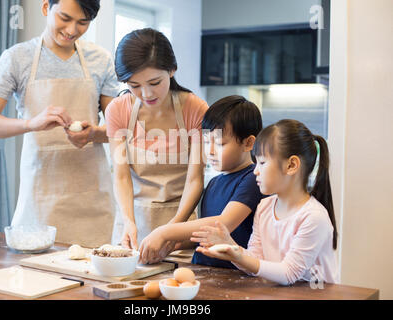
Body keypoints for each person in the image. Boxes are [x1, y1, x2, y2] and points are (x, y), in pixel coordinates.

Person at [0, 0, 119, 248]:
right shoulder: (17, 58)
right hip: (40, 200)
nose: (72, 30)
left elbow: (119, 129)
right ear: (45, 8)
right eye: (64, 18)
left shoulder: (100, 60)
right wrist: (31, 124)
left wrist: (94, 134)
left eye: (83, 22)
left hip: (91, 201)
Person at [195, 119, 340, 285]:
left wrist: (239, 255)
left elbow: (288, 273)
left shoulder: (314, 217)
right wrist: (231, 247)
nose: (255, 171)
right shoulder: (265, 207)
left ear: (291, 165)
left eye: (262, 163)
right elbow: (255, 262)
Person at [105, 28, 209, 255]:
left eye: (154, 82)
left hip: (180, 225)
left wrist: (171, 230)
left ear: (172, 70)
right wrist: (128, 221)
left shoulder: (195, 109)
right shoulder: (118, 110)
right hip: (132, 223)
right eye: (134, 86)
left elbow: (195, 180)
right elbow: (121, 175)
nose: (146, 93)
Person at [139, 96, 265, 266]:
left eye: (220, 143)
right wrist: (173, 245)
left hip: (234, 276)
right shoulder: (213, 183)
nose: (210, 151)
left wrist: (164, 232)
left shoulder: (253, 179)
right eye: (206, 142)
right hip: (204, 271)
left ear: (248, 143)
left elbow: (223, 224)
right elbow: (205, 234)